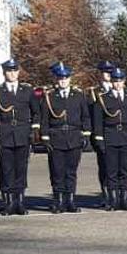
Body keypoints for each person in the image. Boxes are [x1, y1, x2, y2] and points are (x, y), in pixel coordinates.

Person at [0, 59, 37, 215]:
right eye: (9, 71)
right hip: (5, 135)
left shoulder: (27, 90)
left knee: (21, 169)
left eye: (15, 71)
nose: (12, 74)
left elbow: (36, 112)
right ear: (4, 73)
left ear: (18, 72)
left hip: (22, 134)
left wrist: (33, 131)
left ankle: (19, 202)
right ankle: (8, 202)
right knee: (6, 169)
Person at [40, 62, 92, 213]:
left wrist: (86, 135)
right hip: (56, 138)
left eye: (66, 78)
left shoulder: (78, 95)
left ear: (70, 79)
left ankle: (70, 201)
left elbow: (85, 117)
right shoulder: (49, 96)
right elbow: (44, 119)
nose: (63, 81)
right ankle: (58, 201)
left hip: (74, 137)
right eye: (60, 78)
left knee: (71, 172)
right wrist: (45, 138)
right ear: (56, 79)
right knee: (57, 172)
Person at [92, 65, 127, 211]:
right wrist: (100, 139)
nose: (117, 83)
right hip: (110, 137)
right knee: (111, 171)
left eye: (120, 80)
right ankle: (112, 200)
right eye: (115, 81)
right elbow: (98, 121)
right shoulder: (103, 98)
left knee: (125, 170)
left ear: (124, 81)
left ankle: (124, 199)